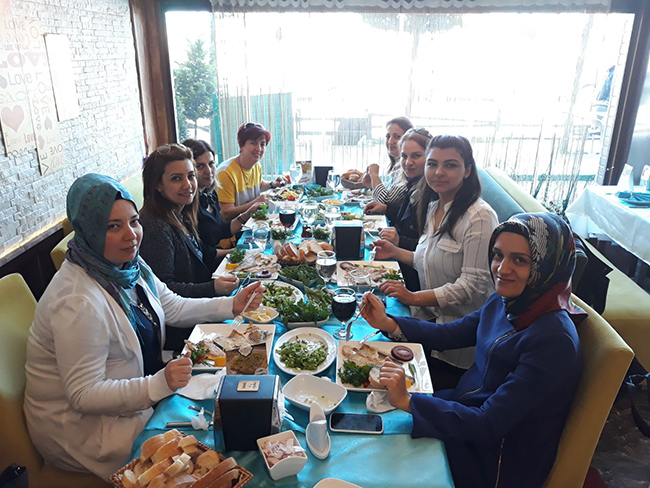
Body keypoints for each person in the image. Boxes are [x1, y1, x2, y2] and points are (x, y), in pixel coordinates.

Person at [23, 174, 264, 480]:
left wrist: (231, 305)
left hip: (134, 394)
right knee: (211, 448)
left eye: (134, 221)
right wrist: (158, 384)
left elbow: (172, 305)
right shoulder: (76, 300)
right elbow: (83, 394)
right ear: (88, 232)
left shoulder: (126, 266)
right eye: (113, 226)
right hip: (85, 429)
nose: (131, 235)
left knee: (231, 416)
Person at [360, 212, 585, 488]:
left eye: (520, 260)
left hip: (493, 459)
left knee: (381, 464)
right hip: (462, 411)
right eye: (498, 255)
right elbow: (448, 335)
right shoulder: (510, 300)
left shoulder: (554, 342)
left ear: (547, 266)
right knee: (370, 427)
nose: (502, 269)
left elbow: (489, 424)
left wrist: (408, 401)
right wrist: (388, 323)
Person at [372, 135, 499, 386]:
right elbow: (427, 260)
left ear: (467, 170)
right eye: (432, 164)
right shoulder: (434, 206)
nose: (438, 172)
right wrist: (395, 252)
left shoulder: (480, 217)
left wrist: (412, 297)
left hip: (456, 346)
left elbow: (472, 286)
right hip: (427, 323)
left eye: (450, 165)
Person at [138, 144, 239, 350]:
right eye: (176, 178)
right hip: (183, 331)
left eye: (190, 176)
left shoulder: (180, 211)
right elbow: (164, 291)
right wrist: (213, 287)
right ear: (158, 185)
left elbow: (199, 251)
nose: (188, 185)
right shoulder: (155, 226)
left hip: (199, 309)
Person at [364, 127, 432, 291]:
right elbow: (408, 216)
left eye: (416, 156)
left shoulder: (433, 194)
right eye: (404, 156)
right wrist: (387, 209)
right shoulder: (413, 182)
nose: (408, 163)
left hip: (414, 279)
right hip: (400, 260)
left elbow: (431, 251)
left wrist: (399, 241)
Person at [182, 138, 260, 255]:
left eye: (211, 164)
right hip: (210, 264)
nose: (209, 171)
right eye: (200, 166)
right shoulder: (186, 204)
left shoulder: (210, 194)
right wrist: (235, 251)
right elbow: (202, 251)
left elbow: (222, 230)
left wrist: (248, 213)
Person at [216, 122, 287, 221]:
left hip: (254, 221)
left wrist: (273, 184)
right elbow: (226, 213)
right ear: (241, 145)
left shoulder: (256, 165)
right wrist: (255, 203)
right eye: (253, 143)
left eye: (262, 144)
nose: (259, 148)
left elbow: (258, 185)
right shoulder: (225, 172)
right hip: (235, 228)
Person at [363, 116, 414, 205]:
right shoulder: (396, 166)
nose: (390, 141)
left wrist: (374, 175)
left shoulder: (408, 168)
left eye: (396, 137)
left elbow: (386, 201)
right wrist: (372, 185)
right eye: (388, 136)